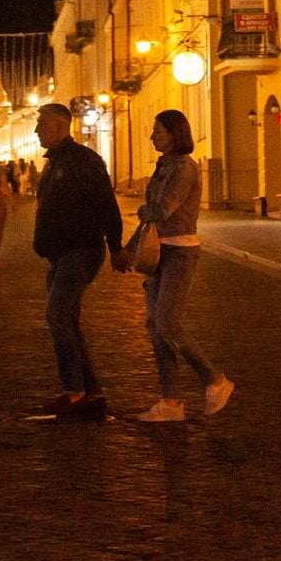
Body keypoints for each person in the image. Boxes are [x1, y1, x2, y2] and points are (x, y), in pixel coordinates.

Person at [132, 109, 234, 422]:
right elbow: (152, 219)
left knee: (168, 323)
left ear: (175, 134)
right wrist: (127, 249)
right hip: (158, 254)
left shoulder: (186, 169)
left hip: (180, 254)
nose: (152, 137)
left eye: (158, 131)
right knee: (156, 328)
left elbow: (162, 210)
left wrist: (142, 209)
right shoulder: (161, 167)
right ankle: (171, 401)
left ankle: (215, 379)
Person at [32, 102, 122, 419]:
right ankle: (90, 392)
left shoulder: (83, 161)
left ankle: (75, 392)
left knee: (57, 315)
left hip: (81, 250)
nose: (36, 130)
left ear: (59, 127)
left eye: (41, 125)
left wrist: (116, 245)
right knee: (67, 319)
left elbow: (106, 203)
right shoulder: (56, 162)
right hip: (60, 254)